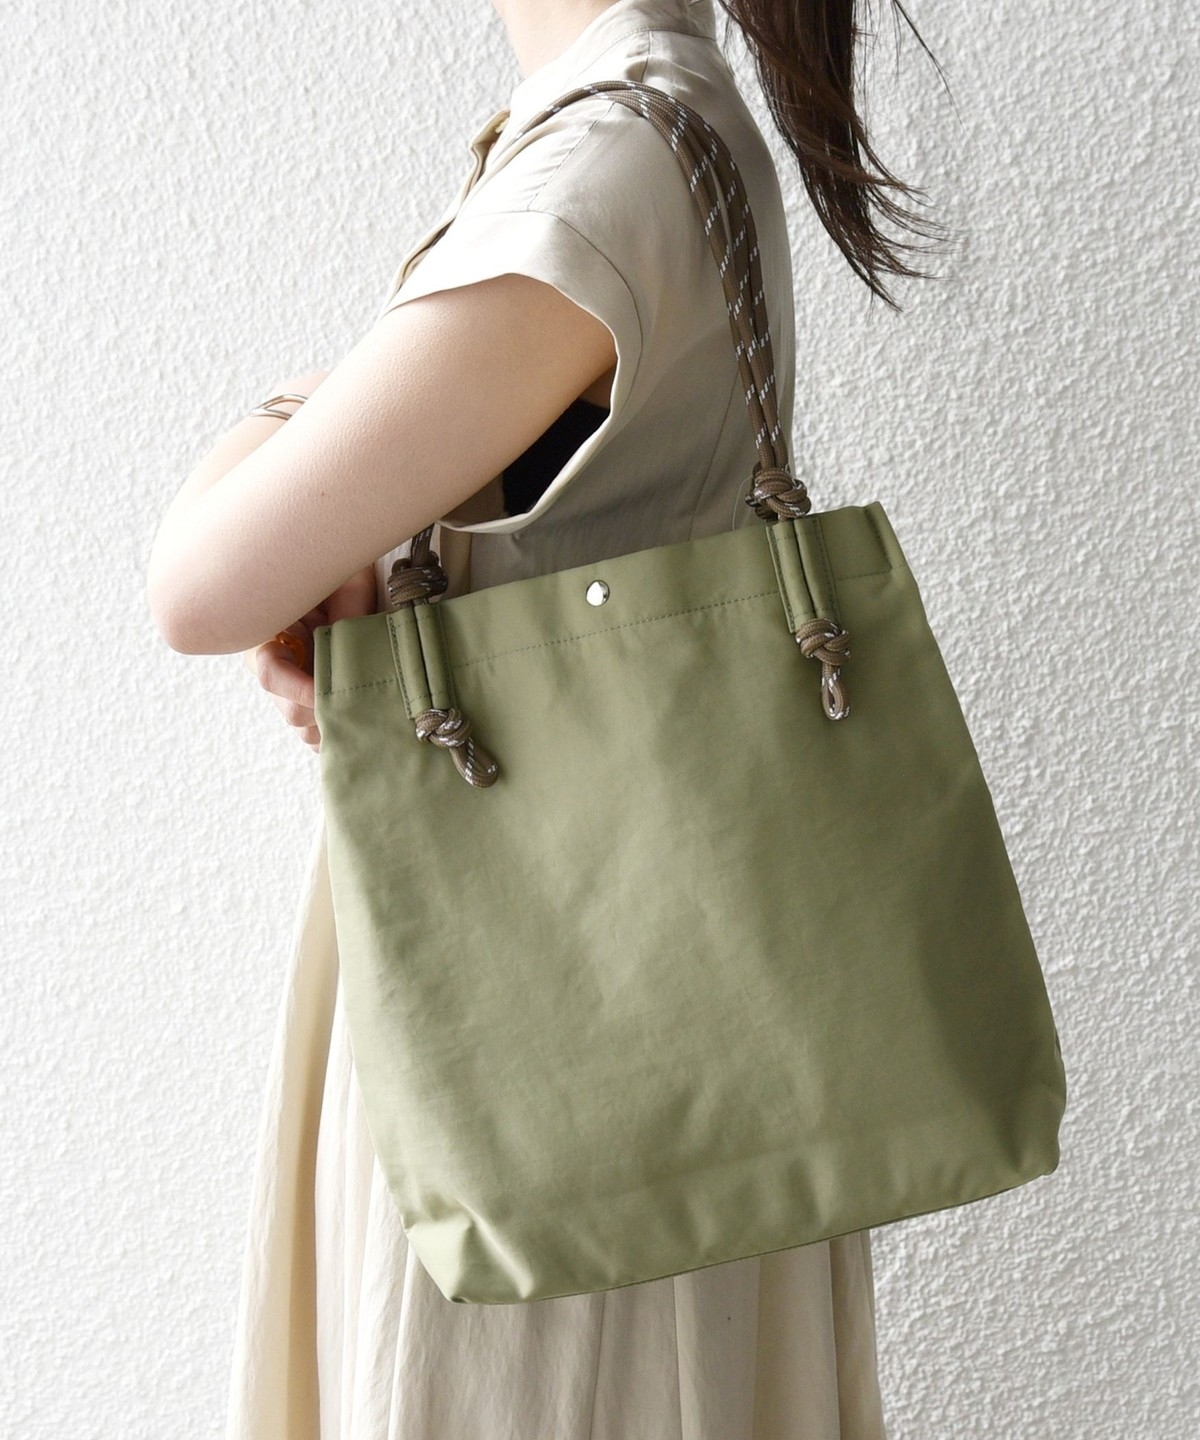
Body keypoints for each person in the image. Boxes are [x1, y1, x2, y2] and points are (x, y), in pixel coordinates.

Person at [147, 1, 945, 1434]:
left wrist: (301, 407)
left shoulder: (612, 162)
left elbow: (201, 583)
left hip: (547, 1053)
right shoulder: (641, 127)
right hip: (638, 1015)